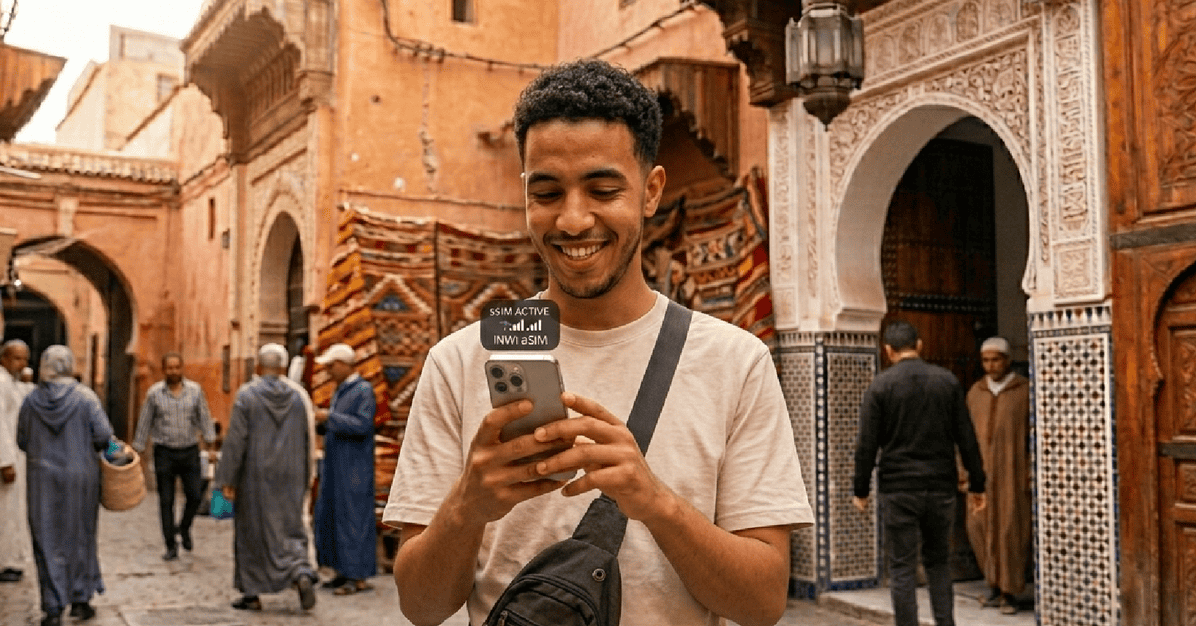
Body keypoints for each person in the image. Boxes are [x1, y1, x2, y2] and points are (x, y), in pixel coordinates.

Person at [383, 58, 814, 626]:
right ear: (525, 197)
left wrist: (655, 503)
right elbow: (421, 606)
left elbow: (762, 604)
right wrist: (468, 507)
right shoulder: (459, 362)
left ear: (651, 191)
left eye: (603, 189)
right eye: (547, 193)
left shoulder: (735, 363)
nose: (573, 220)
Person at [852, 321, 987, 626]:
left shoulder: (880, 387)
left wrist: (860, 489)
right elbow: (966, 437)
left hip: (898, 490)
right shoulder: (947, 382)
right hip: (940, 488)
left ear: (888, 351)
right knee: (939, 563)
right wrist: (977, 484)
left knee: (902, 567)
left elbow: (866, 445)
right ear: (920, 345)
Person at [215, 344, 318, 612]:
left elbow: (236, 440)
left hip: (255, 476)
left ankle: (252, 593)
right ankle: (300, 572)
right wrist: (308, 476)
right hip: (292, 474)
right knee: (291, 526)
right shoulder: (299, 397)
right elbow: (309, 439)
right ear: (283, 368)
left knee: (252, 531)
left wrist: (227, 478)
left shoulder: (247, 396)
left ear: (259, 367)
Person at [17, 345, 112, 625]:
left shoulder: (31, 400)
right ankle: (81, 599)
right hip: (79, 479)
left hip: (42, 480)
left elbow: (22, 440)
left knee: (46, 539)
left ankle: (53, 606)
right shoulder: (86, 398)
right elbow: (104, 435)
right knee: (80, 535)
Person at [964, 336, 1031, 615]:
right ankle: (991, 585)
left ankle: (1010, 592)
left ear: (1007, 360)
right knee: (979, 529)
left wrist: (1030, 472)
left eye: (996, 360)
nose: (991, 366)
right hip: (980, 479)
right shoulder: (975, 393)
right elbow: (964, 437)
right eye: (986, 360)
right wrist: (963, 472)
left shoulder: (1024, 392)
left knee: (1009, 533)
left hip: (1013, 477)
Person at [132, 352, 217, 561]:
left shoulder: (195, 392)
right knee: (166, 501)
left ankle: (184, 527)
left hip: (189, 450)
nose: (173, 371)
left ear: (182, 368)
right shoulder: (154, 394)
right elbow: (145, 422)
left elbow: (204, 418)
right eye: (169, 368)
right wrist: (138, 448)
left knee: (195, 495)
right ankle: (171, 544)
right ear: (164, 370)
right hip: (164, 452)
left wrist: (210, 444)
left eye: (176, 368)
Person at [313, 342, 376, 595]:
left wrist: (329, 418)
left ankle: (356, 575)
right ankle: (341, 570)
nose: (328, 371)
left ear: (342, 365)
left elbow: (363, 424)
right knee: (336, 516)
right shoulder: (341, 390)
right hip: (337, 465)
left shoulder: (363, 390)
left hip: (354, 469)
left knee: (353, 519)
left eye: (331, 366)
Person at [0, 340, 32, 583]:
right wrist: (5, 461)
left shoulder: (10, 382)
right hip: (4, 459)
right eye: (17, 358)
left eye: (25, 359)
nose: (22, 364)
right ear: (4, 358)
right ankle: (2, 562)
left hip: (12, 456)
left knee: (10, 512)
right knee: (2, 512)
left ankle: (9, 560)